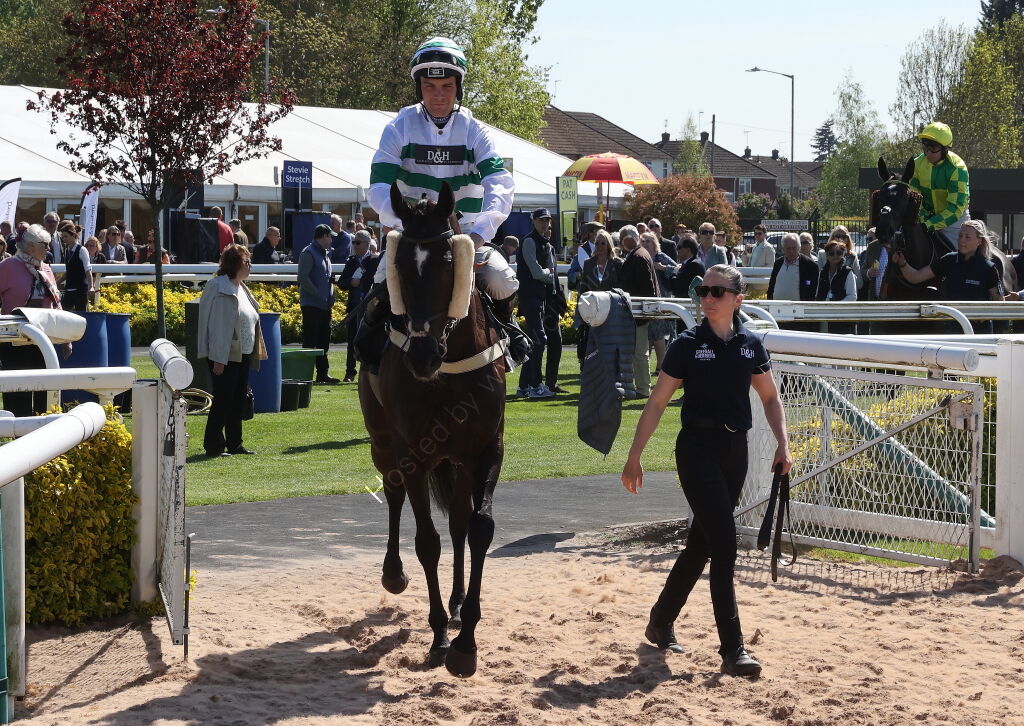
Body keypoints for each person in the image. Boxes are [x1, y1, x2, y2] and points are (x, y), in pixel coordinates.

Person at [621, 264, 792, 678]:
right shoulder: (686, 344)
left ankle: (660, 620)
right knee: (724, 542)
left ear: (738, 298)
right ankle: (733, 649)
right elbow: (658, 402)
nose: (707, 297)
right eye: (703, 290)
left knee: (701, 543)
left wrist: (783, 443)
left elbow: (770, 398)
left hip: (736, 449)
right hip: (696, 449)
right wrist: (634, 455)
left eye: (717, 291)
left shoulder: (751, 345)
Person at [366, 36, 528, 363]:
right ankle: (368, 343)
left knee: (500, 279)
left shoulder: (475, 131)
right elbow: (378, 187)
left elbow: (500, 182)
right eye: (429, 87)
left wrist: (481, 231)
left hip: (464, 233)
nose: (438, 95)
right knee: (382, 278)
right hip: (413, 234)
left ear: (458, 88)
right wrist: (404, 224)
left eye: (447, 87)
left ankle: (508, 328)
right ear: (419, 88)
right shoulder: (398, 127)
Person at [197, 244, 267, 457]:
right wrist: (218, 359)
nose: (250, 266)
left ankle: (235, 444)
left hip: (242, 353)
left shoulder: (241, 287)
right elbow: (216, 326)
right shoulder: (217, 287)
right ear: (235, 263)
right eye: (246, 262)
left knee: (237, 399)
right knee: (223, 400)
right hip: (224, 355)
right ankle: (213, 445)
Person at [0, 224, 67, 416]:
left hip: (43, 339)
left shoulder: (46, 268)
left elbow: (56, 302)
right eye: (44, 245)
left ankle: (43, 434)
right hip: (14, 341)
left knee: (45, 392)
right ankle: (18, 436)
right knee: (17, 393)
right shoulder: (8, 267)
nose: (49, 248)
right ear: (30, 246)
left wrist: (65, 338)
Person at [893, 219, 1002, 332]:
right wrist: (902, 263)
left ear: (979, 241)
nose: (961, 240)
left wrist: (984, 315)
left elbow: (999, 302)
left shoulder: (988, 268)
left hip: (979, 333)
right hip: (950, 329)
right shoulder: (948, 260)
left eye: (967, 237)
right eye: (960, 235)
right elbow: (915, 277)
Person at [516, 208, 557, 398]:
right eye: (541, 220)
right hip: (530, 297)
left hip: (538, 298)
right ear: (533, 221)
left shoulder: (544, 243)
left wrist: (547, 272)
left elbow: (550, 271)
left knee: (534, 342)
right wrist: (548, 273)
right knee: (540, 341)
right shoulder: (530, 241)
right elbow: (538, 273)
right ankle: (535, 385)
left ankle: (524, 386)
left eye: (547, 220)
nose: (545, 223)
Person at [911, 122, 969, 250]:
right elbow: (914, 198)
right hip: (926, 217)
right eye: (926, 148)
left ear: (945, 148)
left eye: (934, 148)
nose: (929, 153)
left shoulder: (957, 168)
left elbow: (955, 208)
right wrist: (923, 219)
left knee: (959, 255)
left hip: (954, 220)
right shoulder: (917, 164)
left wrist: (929, 225)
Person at [618, 224, 658, 398]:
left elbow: (647, 287)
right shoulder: (640, 254)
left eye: (622, 238)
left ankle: (642, 389)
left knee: (640, 352)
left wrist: (644, 310)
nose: (621, 242)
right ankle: (641, 387)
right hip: (638, 311)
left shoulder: (638, 256)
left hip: (639, 312)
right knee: (639, 352)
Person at [298, 223, 339, 383]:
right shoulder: (308, 253)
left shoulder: (325, 254)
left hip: (323, 306)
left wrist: (330, 296)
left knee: (323, 341)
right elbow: (303, 277)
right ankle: (304, 373)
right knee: (310, 340)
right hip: (312, 306)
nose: (331, 240)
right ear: (323, 236)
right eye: (329, 237)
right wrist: (318, 294)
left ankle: (322, 373)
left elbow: (327, 279)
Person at [337, 230, 375, 383]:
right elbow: (341, 283)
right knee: (352, 340)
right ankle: (349, 372)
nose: (354, 245)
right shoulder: (351, 261)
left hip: (369, 308)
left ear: (366, 244)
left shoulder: (374, 261)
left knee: (368, 339)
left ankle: (366, 371)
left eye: (357, 242)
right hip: (354, 307)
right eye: (353, 242)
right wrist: (350, 282)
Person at [640, 232, 677, 376]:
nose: (645, 243)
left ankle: (661, 366)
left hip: (661, 299)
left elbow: (677, 268)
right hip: (646, 298)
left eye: (648, 241)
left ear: (654, 242)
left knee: (659, 334)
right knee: (648, 333)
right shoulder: (641, 257)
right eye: (643, 241)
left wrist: (661, 267)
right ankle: (645, 366)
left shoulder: (660, 256)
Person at [816, 240, 858, 334]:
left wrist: (836, 306)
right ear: (826, 255)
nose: (835, 256)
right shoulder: (822, 273)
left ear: (843, 254)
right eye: (831, 253)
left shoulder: (848, 272)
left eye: (839, 253)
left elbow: (852, 296)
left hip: (843, 318)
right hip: (824, 318)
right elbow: (818, 294)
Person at [767, 232, 818, 301]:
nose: (791, 251)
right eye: (788, 248)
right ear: (783, 249)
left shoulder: (810, 265)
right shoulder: (778, 263)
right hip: (776, 308)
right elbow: (771, 287)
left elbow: (812, 292)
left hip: (799, 309)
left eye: (794, 248)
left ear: (799, 247)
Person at [59, 222, 92, 311]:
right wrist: (58, 282)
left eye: (66, 236)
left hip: (80, 290)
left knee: (81, 316)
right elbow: (69, 271)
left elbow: (88, 270)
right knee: (64, 314)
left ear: (73, 235)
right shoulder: (67, 250)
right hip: (69, 289)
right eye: (63, 237)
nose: (63, 239)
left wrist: (91, 286)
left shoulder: (82, 250)